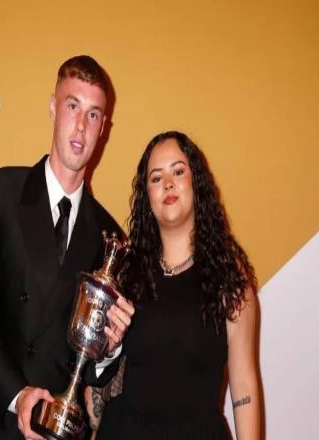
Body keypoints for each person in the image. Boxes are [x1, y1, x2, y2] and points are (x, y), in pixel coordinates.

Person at [0, 55, 135, 440]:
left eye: (93, 115)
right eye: (73, 106)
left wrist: (109, 349)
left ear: (103, 128)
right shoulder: (0, 192)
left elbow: (90, 371)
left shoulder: (110, 238)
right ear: (53, 107)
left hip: (59, 432)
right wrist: (18, 396)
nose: (81, 126)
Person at [96, 131, 261, 439]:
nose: (168, 184)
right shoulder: (126, 272)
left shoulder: (228, 275)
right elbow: (99, 374)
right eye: (156, 178)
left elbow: (244, 386)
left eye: (178, 171)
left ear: (196, 182)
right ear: (146, 196)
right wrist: (107, 347)